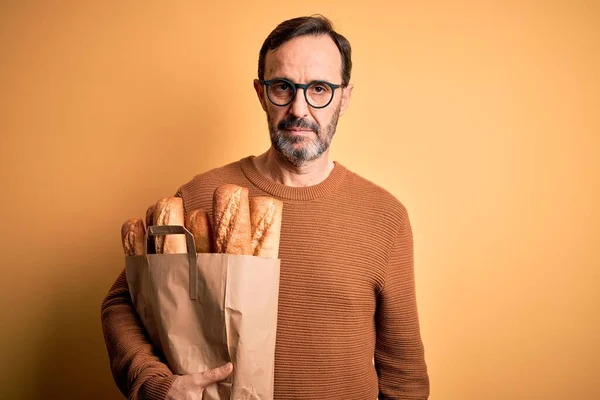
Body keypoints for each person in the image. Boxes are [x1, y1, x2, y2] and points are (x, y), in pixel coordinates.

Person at [101, 15, 430, 400]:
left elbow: (403, 374)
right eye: (283, 88)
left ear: (344, 96)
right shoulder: (199, 197)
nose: (298, 109)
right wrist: (156, 384)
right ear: (260, 93)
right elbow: (121, 303)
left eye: (319, 89)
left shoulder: (384, 216)